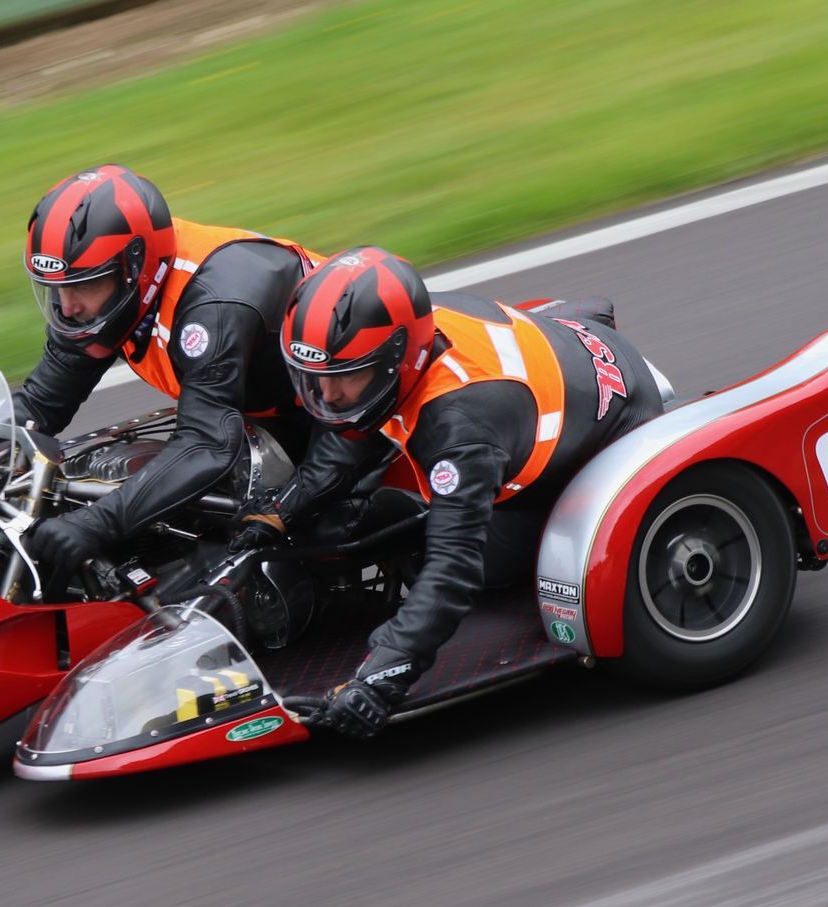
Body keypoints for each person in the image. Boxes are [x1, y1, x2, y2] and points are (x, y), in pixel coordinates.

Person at [233, 247, 668, 737]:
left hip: (608, 431)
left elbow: (452, 567)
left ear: (397, 358)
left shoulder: (460, 427)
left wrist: (381, 676)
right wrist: (277, 513)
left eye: (344, 379)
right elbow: (344, 438)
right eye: (314, 379)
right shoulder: (405, 325)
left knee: (451, 556)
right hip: (558, 358)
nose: (326, 397)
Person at [15, 165, 319, 583]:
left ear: (134, 267)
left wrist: (96, 524)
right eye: (58, 288)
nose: (67, 307)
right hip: (270, 414)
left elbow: (206, 444)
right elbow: (37, 406)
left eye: (82, 286)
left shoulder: (215, 305)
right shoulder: (106, 288)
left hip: (373, 417)